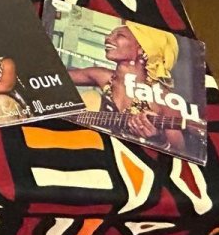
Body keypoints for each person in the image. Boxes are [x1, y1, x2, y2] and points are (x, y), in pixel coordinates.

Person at [68, 21, 186, 153]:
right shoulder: (102, 76)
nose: (108, 38)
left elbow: (180, 150)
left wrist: (158, 139)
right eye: (110, 34)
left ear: (142, 48)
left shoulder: (164, 98)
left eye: (120, 35)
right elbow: (56, 77)